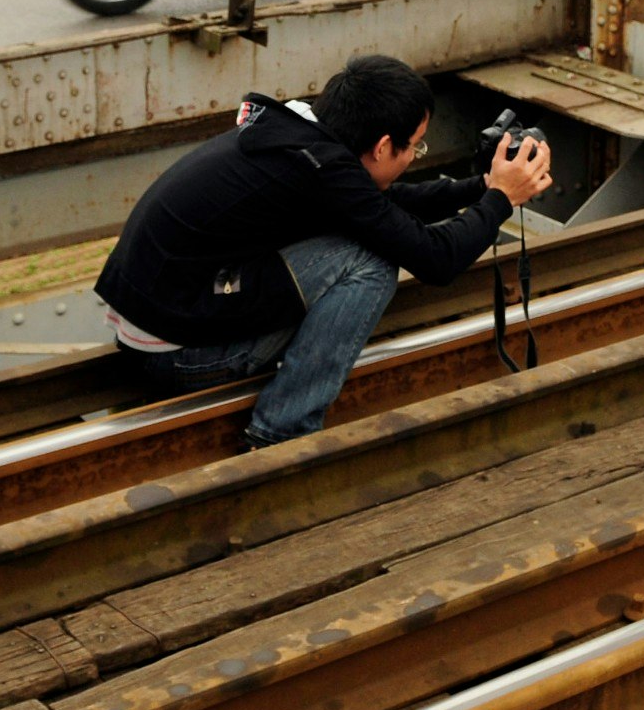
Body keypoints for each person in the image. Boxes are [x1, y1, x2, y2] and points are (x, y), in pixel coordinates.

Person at [96, 55, 554, 448]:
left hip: (153, 321)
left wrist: (483, 187)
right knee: (371, 263)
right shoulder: (322, 169)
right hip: (176, 353)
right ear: (380, 147)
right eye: (414, 147)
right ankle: (281, 433)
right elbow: (437, 260)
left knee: (365, 239)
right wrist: (501, 201)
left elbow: (379, 209)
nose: (415, 157)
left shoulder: (299, 139)